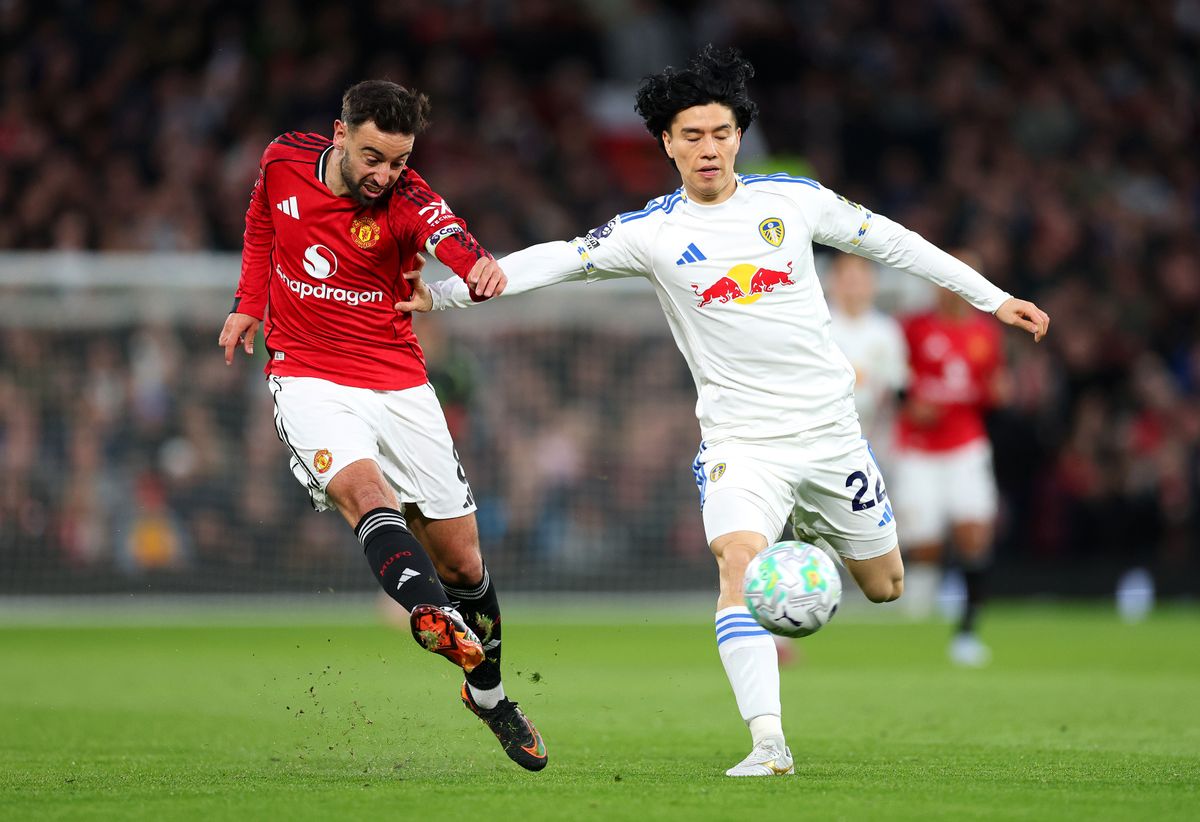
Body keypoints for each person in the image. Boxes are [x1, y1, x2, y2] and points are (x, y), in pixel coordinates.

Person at [399, 46, 1049, 777]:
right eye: (691, 136)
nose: (708, 149)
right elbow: (557, 258)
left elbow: (895, 242)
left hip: (833, 435)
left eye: (720, 133)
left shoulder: (793, 202)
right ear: (667, 143)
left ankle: (809, 540)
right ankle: (769, 743)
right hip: (743, 443)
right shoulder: (651, 231)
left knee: (887, 585)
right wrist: (448, 292)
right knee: (737, 567)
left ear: (739, 135)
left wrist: (993, 298)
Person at [217, 80, 547, 771]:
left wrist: (476, 264)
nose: (384, 175)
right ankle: (430, 616)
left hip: (400, 383)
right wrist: (249, 303)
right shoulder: (282, 160)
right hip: (307, 375)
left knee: (464, 561)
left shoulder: (407, 198)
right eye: (372, 157)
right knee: (368, 497)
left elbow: (448, 233)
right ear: (340, 133)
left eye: (397, 162)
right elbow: (261, 224)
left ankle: (488, 697)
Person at [889, 249, 1012, 667]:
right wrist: (910, 402)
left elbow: (993, 384)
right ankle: (915, 624)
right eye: (948, 278)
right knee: (925, 543)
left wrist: (999, 392)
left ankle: (967, 630)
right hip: (919, 449)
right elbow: (895, 377)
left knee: (974, 532)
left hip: (965, 444)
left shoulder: (985, 334)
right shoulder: (913, 328)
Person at [825, 253, 909, 464]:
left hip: (876, 437)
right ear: (833, 281)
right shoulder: (820, 328)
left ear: (872, 282)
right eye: (847, 277)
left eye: (860, 277)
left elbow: (898, 384)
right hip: (827, 437)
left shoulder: (887, 330)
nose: (854, 285)